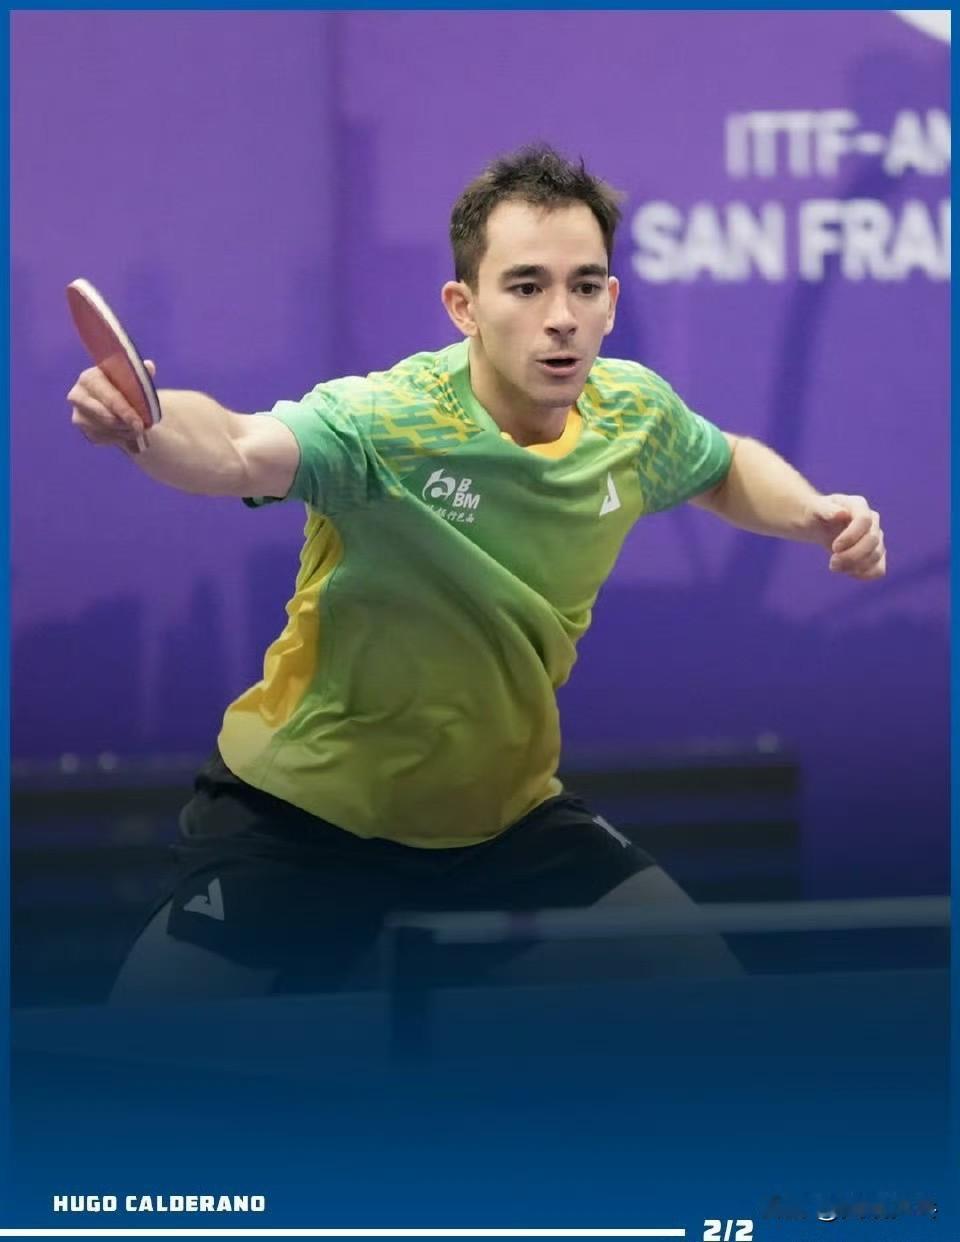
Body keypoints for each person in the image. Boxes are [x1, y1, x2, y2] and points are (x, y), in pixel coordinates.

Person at [68, 145, 886, 1001]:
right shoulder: (388, 423)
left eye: (584, 286)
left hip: (501, 825)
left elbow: (723, 464)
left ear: (611, 302)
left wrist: (813, 512)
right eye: (526, 287)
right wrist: (144, 425)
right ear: (464, 306)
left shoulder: (633, 413)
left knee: (712, 1001)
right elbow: (236, 445)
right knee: (147, 1034)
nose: (560, 317)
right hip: (302, 818)